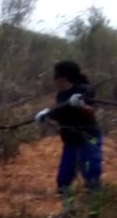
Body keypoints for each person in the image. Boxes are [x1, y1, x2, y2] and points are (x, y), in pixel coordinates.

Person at [36, 59, 102, 204]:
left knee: (91, 176)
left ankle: (94, 213)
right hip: (70, 142)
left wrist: (80, 105)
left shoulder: (85, 90)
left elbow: (91, 111)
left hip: (88, 139)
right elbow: (60, 115)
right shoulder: (61, 95)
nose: (54, 80)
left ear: (63, 77)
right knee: (63, 180)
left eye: (55, 75)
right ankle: (69, 213)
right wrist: (46, 115)